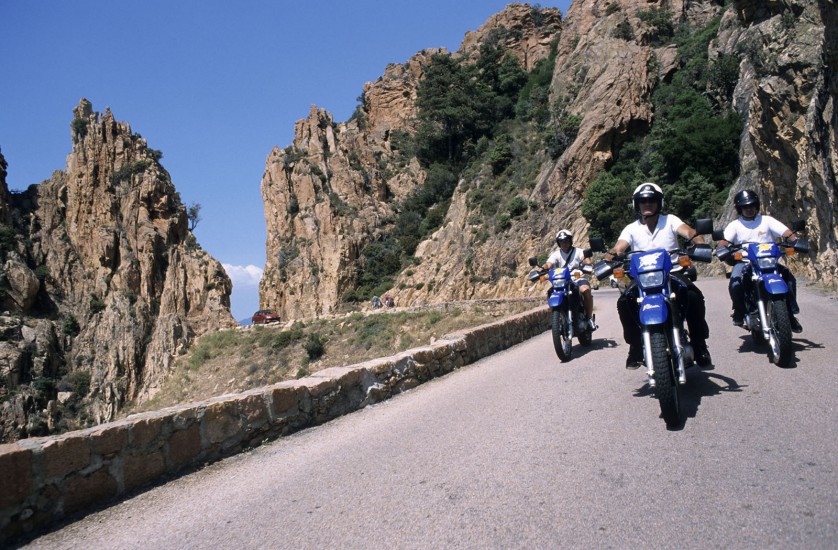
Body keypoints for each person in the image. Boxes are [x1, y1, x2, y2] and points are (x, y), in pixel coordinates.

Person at [605, 182, 712, 369]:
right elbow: (620, 245)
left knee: (694, 296)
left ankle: (699, 343)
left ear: (659, 203)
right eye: (643, 202)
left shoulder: (670, 220)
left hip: (673, 273)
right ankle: (636, 347)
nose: (647, 205)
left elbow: (688, 232)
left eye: (651, 201)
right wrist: (613, 254)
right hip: (643, 279)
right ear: (636, 205)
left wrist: (698, 241)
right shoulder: (631, 228)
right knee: (624, 302)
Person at [715, 189, 802, 332]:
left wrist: (794, 240)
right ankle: (740, 311)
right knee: (735, 282)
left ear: (756, 205)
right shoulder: (735, 225)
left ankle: (789, 314)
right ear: (739, 208)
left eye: (751, 205)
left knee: (789, 277)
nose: (749, 209)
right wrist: (721, 249)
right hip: (745, 262)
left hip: (768, 261)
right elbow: (724, 241)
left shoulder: (767, 220)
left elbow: (785, 232)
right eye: (745, 206)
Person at [543, 229, 597, 330]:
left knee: (585, 290)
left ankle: (589, 318)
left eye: (566, 240)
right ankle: (557, 318)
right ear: (558, 243)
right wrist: (543, 269)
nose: (564, 243)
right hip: (562, 281)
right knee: (550, 292)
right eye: (561, 241)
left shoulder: (579, 251)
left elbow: (585, 259)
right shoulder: (556, 254)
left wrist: (587, 264)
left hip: (577, 278)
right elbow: (548, 264)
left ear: (570, 240)